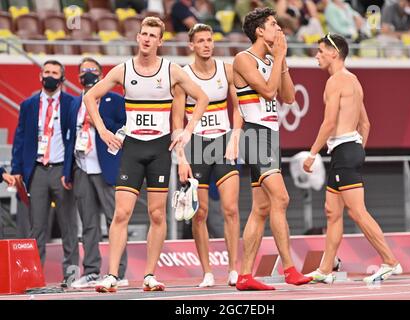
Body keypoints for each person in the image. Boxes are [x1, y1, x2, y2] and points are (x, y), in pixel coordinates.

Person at [83, 16, 208, 293]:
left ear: (160, 41)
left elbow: (202, 98)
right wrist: (103, 131)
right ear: (138, 37)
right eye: (144, 34)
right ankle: (112, 275)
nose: (148, 39)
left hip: (159, 150)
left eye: (153, 35)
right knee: (121, 213)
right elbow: (89, 97)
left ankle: (149, 275)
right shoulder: (123, 70)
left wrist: (187, 131)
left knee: (156, 215)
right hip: (132, 149)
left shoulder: (171, 70)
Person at [303, 33, 402, 284]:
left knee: (357, 212)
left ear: (333, 53)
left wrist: (312, 153)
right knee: (331, 212)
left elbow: (329, 123)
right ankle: (325, 269)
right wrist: (357, 149)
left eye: (320, 51)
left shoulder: (336, 81)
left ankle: (390, 261)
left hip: (344, 152)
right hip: (347, 151)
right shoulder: (354, 81)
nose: (316, 56)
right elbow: (365, 123)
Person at [233, 8, 312, 291]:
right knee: (282, 198)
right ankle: (290, 268)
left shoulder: (271, 59)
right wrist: (278, 57)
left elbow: (288, 97)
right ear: (259, 31)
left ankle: (244, 276)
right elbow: (267, 92)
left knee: (261, 208)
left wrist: (282, 60)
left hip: (271, 136)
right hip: (255, 135)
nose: (279, 29)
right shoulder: (244, 59)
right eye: (273, 25)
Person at [172, 23, 241, 288]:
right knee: (199, 213)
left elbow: (239, 108)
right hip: (196, 145)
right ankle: (208, 272)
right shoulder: (183, 76)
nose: (206, 45)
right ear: (191, 45)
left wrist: (235, 135)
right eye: (200, 41)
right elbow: (177, 121)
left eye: (209, 40)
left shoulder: (226, 70)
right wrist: (181, 158)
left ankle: (233, 269)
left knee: (231, 209)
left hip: (223, 142)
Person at [11, 60, 79, 287]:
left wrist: (70, 170)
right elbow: (20, 138)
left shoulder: (71, 103)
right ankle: (34, 276)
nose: (50, 76)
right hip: (37, 170)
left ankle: (70, 277)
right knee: (36, 227)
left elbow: (74, 139)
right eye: (46, 72)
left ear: (62, 79)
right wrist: (17, 168)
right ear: (40, 76)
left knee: (68, 225)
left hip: (61, 170)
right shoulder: (28, 104)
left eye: (55, 73)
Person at [64, 57, 128, 289]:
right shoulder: (75, 102)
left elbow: (126, 126)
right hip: (81, 166)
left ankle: (119, 272)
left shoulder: (115, 100)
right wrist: (67, 171)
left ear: (102, 75)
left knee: (115, 219)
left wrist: (100, 122)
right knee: (88, 223)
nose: (87, 74)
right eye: (83, 71)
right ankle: (91, 270)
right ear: (78, 76)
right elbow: (68, 137)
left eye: (92, 70)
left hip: (108, 167)